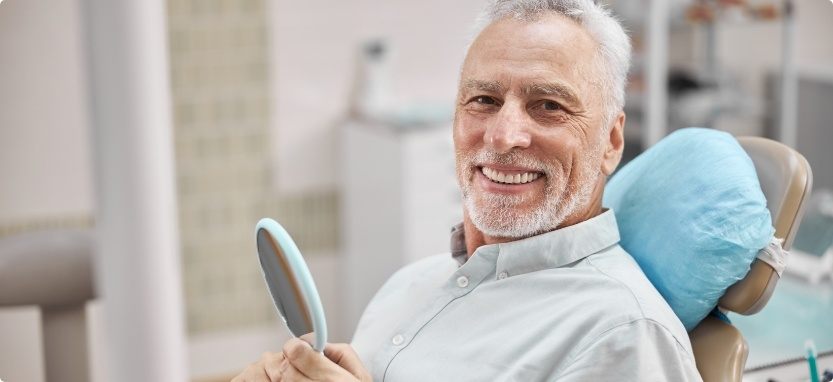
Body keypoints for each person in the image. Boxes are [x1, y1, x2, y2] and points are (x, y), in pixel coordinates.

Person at [234, 0, 703, 380]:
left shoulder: (621, 334)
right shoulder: (410, 284)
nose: (502, 136)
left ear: (611, 141)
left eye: (548, 105)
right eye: (484, 100)